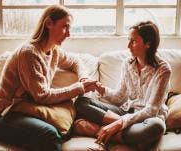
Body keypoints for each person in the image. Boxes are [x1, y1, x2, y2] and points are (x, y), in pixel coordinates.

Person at [0, 5, 97, 151]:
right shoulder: (29, 53)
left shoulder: (53, 51)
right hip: (4, 115)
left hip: (28, 109)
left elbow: (75, 61)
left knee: (64, 127)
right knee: (50, 134)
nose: (68, 34)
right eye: (65, 27)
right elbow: (42, 96)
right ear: (49, 23)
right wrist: (79, 88)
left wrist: (83, 77)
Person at [74, 21, 172, 150]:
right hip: (126, 112)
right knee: (81, 102)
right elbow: (119, 97)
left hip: (147, 119)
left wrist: (120, 123)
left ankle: (98, 131)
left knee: (157, 127)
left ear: (148, 43)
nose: (128, 46)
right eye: (129, 40)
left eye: (134, 41)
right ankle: (121, 134)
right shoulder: (127, 63)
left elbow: (151, 111)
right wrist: (100, 89)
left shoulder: (163, 70)